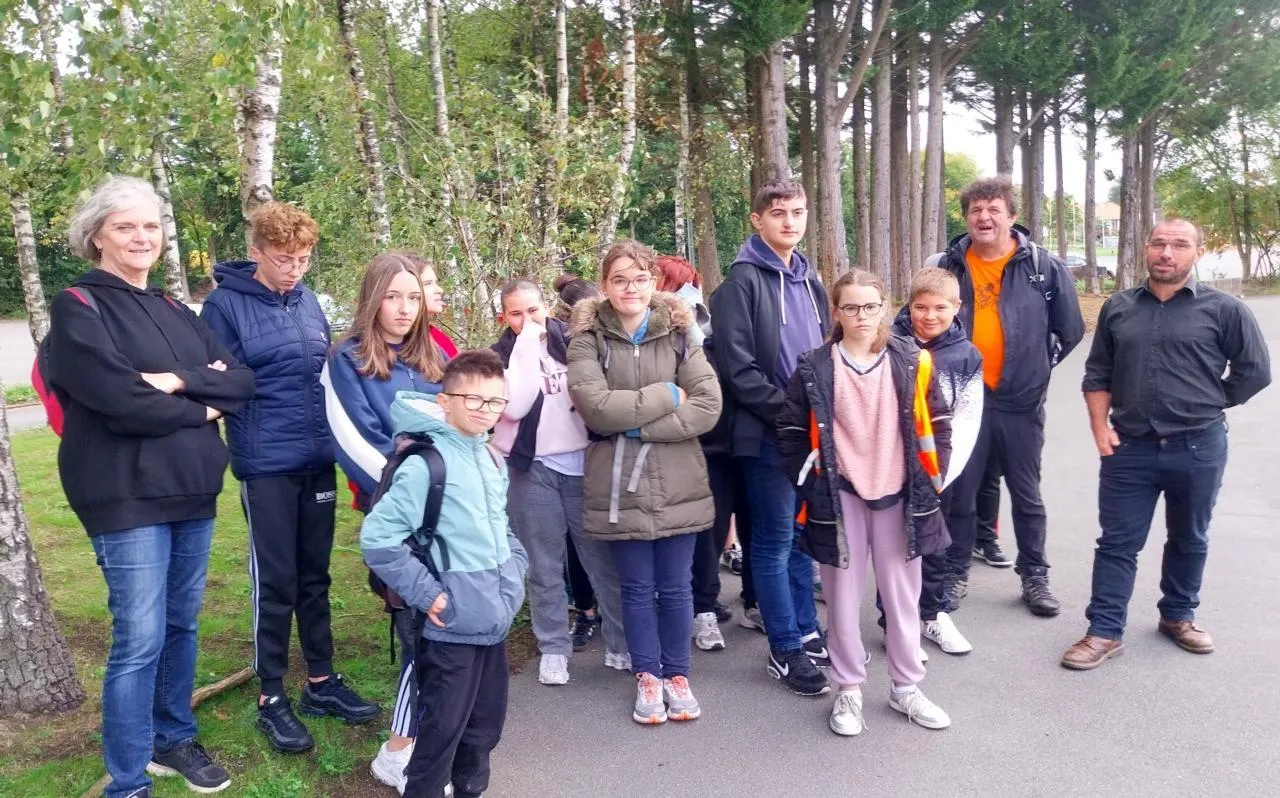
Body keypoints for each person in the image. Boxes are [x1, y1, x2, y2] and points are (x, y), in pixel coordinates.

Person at [50, 176, 255, 798]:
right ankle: (127, 778)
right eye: (125, 226)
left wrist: (175, 380)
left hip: (192, 487)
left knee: (180, 625)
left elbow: (241, 381)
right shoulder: (78, 306)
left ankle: (172, 737)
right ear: (97, 237)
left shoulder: (175, 308)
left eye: (150, 225)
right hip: (125, 493)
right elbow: (121, 401)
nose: (142, 237)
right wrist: (203, 402)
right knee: (139, 640)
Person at [202, 202, 379, 754]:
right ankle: (271, 695)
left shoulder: (307, 301)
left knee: (315, 577)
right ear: (256, 252)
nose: (295, 270)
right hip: (266, 464)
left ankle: (321, 681)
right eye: (284, 259)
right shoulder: (224, 306)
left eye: (303, 259)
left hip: (316, 458)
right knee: (276, 581)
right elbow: (222, 384)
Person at [1062, 219, 1270, 670]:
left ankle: (1178, 615)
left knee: (1189, 536)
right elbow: (1097, 373)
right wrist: (1099, 427)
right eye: (1159, 243)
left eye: (1179, 245)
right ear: (1146, 248)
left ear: (1197, 252)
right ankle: (1104, 631)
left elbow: (1255, 370)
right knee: (1117, 542)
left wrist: (1211, 401)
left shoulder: (1225, 309)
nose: (1167, 253)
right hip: (1129, 448)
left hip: (1199, 447)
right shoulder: (1118, 308)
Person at [779, 269, 954, 736]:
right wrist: (809, 484)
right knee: (841, 599)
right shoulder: (815, 365)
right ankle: (848, 688)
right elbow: (791, 429)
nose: (862, 315)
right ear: (836, 312)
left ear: (884, 308)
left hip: (900, 496)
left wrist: (931, 479)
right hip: (840, 497)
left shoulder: (911, 359)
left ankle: (906, 687)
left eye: (871, 306)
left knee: (902, 598)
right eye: (851, 307)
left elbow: (938, 422)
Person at [360, 350, 529, 798]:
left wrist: (515, 573)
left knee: (483, 732)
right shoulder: (426, 465)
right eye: (473, 399)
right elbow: (378, 540)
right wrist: (431, 596)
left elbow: (502, 527)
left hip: (492, 621)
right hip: (449, 630)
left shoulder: (491, 458)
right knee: (439, 738)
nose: (485, 410)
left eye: (495, 401)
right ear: (444, 401)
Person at [567, 240, 722, 725]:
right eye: (619, 279)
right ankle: (648, 675)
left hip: (678, 480)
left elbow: (708, 404)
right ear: (605, 285)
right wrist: (667, 394)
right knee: (634, 588)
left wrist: (635, 428)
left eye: (639, 278)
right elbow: (596, 408)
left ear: (653, 282)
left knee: (675, 588)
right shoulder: (587, 339)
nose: (630, 288)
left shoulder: (679, 333)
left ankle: (678, 675)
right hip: (619, 484)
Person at [321, 251, 449, 791]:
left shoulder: (434, 354)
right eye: (392, 297)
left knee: (448, 626)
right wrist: (424, 490)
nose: (403, 308)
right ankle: (398, 751)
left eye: (413, 297)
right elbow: (356, 443)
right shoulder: (345, 361)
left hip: (450, 515)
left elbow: (464, 426)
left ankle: (439, 737)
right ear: (372, 298)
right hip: (400, 519)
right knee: (417, 627)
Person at [930, 175, 1084, 617]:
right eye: (976, 210)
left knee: (1026, 493)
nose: (984, 217)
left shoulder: (1042, 266)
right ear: (966, 218)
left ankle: (1035, 576)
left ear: (1012, 217)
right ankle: (955, 572)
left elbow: (1071, 329)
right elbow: (922, 320)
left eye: (994, 209)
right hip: (963, 401)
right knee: (959, 492)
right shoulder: (948, 266)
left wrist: (1035, 369)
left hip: (1020, 401)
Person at [709, 178, 832, 696]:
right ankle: (784, 648)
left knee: (801, 540)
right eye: (778, 213)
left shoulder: (810, 279)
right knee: (775, 541)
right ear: (757, 220)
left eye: (797, 212)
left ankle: (806, 629)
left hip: (810, 434)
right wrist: (791, 414)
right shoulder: (738, 285)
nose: (789, 221)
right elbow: (738, 371)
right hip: (767, 436)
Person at [490, 278, 628, 685]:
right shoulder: (499, 357)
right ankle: (553, 647)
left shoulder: (574, 341)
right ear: (504, 317)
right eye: (516, 313)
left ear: (547, 306)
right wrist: (524, 348)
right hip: (531, 468)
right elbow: (512, 407)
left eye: (533, 310)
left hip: (585, 463)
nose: (527, 320)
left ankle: (621, 642)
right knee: (544, 565)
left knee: (602, 560)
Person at [881, 267, 983, 655]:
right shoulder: (887, 345)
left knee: (935, 543)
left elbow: (968, 418)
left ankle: (931, 614)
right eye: (921, 307)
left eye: (940, 308)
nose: (929, 316)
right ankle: (893, 621)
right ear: (908, 306)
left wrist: (941, 473)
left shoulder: (967, 355)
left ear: (957, 307)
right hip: (892, 468)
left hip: (941, 470)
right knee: (895, 547)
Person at [654, 255, 732, 650]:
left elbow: (707, 391)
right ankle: (689, 607)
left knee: (702, 531)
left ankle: (703, 607)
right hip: (666, 446)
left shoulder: (700, 330)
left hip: (706, 444)